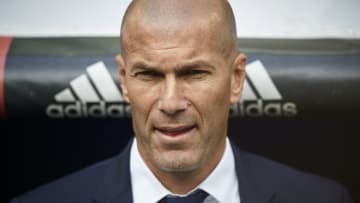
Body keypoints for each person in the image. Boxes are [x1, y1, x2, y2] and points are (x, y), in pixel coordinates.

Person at [10, 0, 353, 202]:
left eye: (194, 73)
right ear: (124, 81)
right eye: (149, 75)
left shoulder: (321, 198)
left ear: (236, 79)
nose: (171, 102)